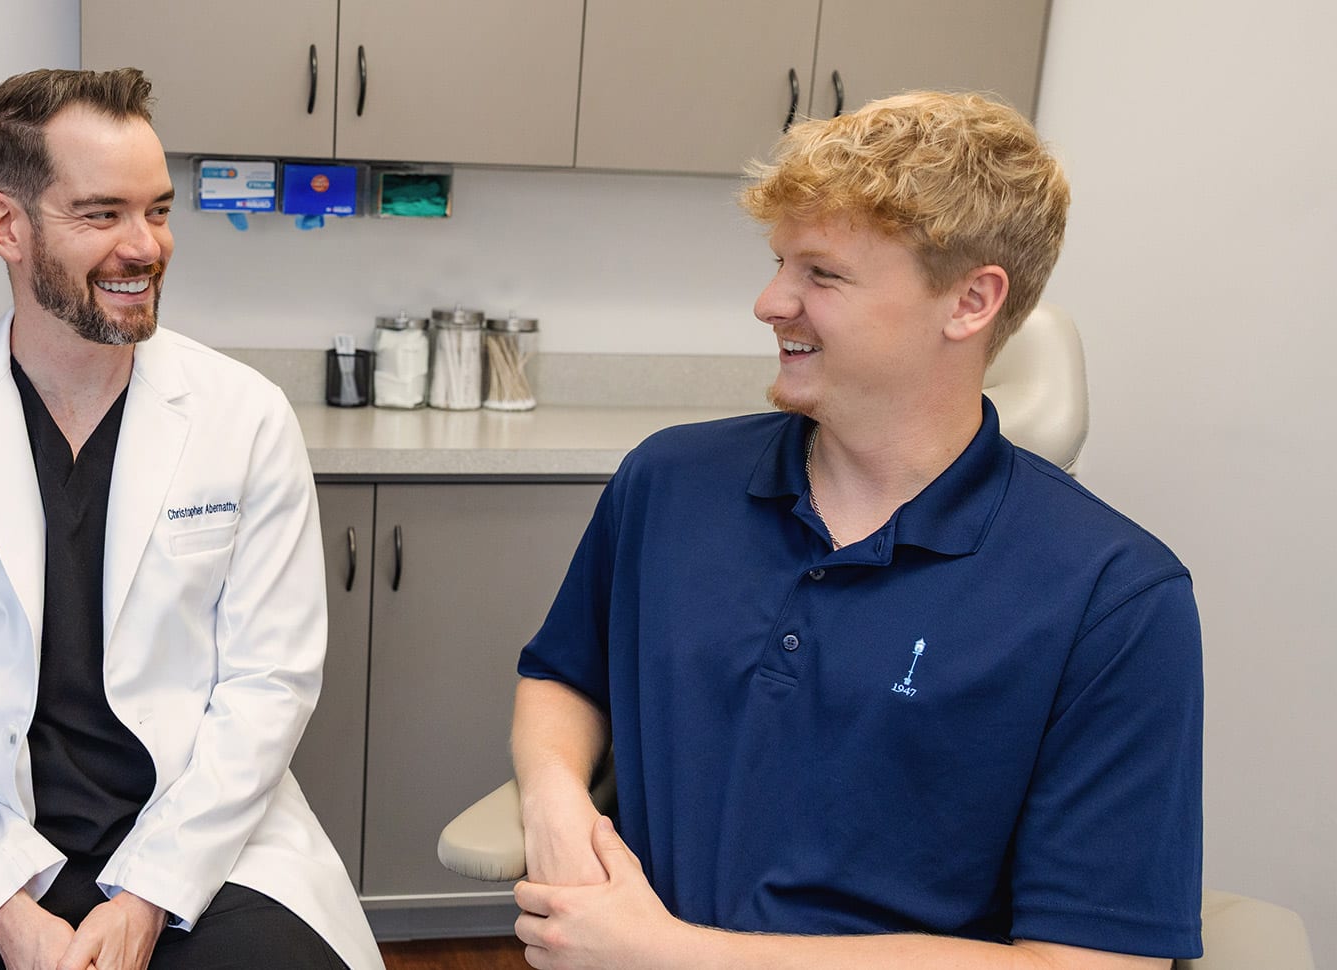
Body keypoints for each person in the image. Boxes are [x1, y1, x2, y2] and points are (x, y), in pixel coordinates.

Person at [509, 92, 1202, 970]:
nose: (769, 302)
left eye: (820, 275)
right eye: (778, 264)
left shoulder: (1113, 597)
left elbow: (1089, 964)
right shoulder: (671, 483)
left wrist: (675, 954)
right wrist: (553, 797)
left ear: (970, 302)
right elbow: (564, 676)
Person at [0, 68, 380, 970]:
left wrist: (147, 897)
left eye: (160, 210)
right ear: (5, 225)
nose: (145, 246)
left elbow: (269, 685)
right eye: (102, 215)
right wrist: (5, 913)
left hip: (196, 838)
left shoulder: (243, 418)